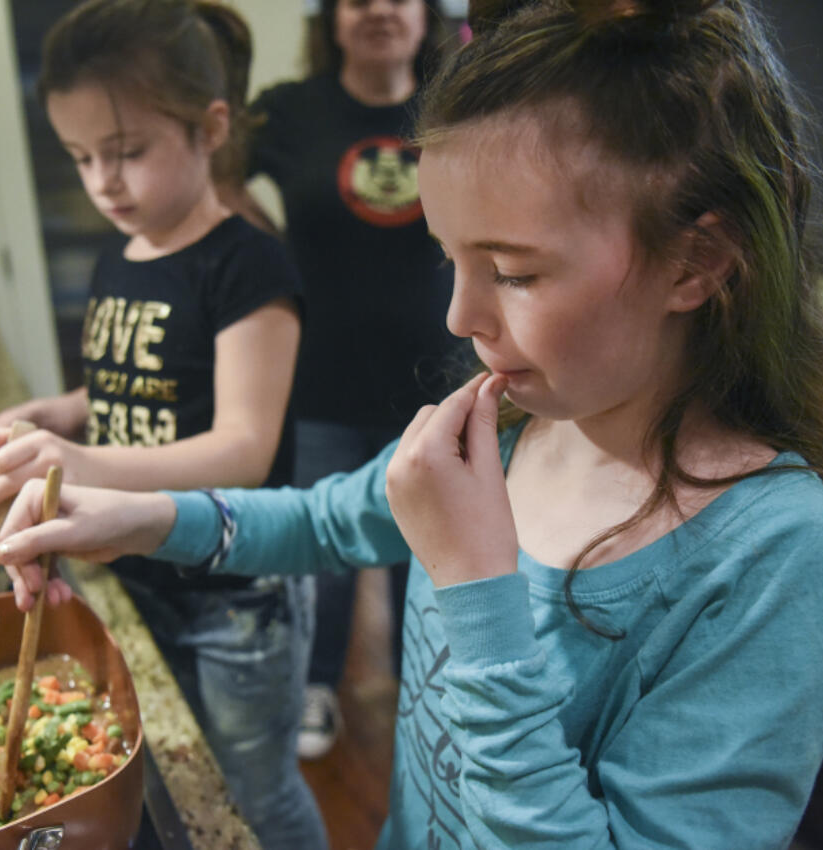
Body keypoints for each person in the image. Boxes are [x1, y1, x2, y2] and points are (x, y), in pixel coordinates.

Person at [0, 0, 823, 847]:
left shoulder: (778, 554)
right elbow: (324, 520)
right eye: (450, 259)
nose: (459, 317)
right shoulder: (517, 426)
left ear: (698, 261)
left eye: (515, 273)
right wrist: (135, 518)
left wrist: (477, 588)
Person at [0, 2, 327, 847]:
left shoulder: (248, 264)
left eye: (126, 153)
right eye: (81, 157)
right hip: (140, 574)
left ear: (210, 128)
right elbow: (130, 389)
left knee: (256, 791)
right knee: (181, 773)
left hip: (237, 595)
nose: (103, 183)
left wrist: (77, 459)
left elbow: (243, 450)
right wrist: (51, 415)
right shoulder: (115, 254)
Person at [239, 0, 463, 760]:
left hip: (441, 378)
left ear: (425, 13)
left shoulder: (462, 102)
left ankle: (424, 693)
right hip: (322, 378)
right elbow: (208, 172)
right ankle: (317, 683)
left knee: (432, 551)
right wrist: (265, 247)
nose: (378, 9)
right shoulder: (288, 111)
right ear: (331, 17)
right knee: (323, 552)